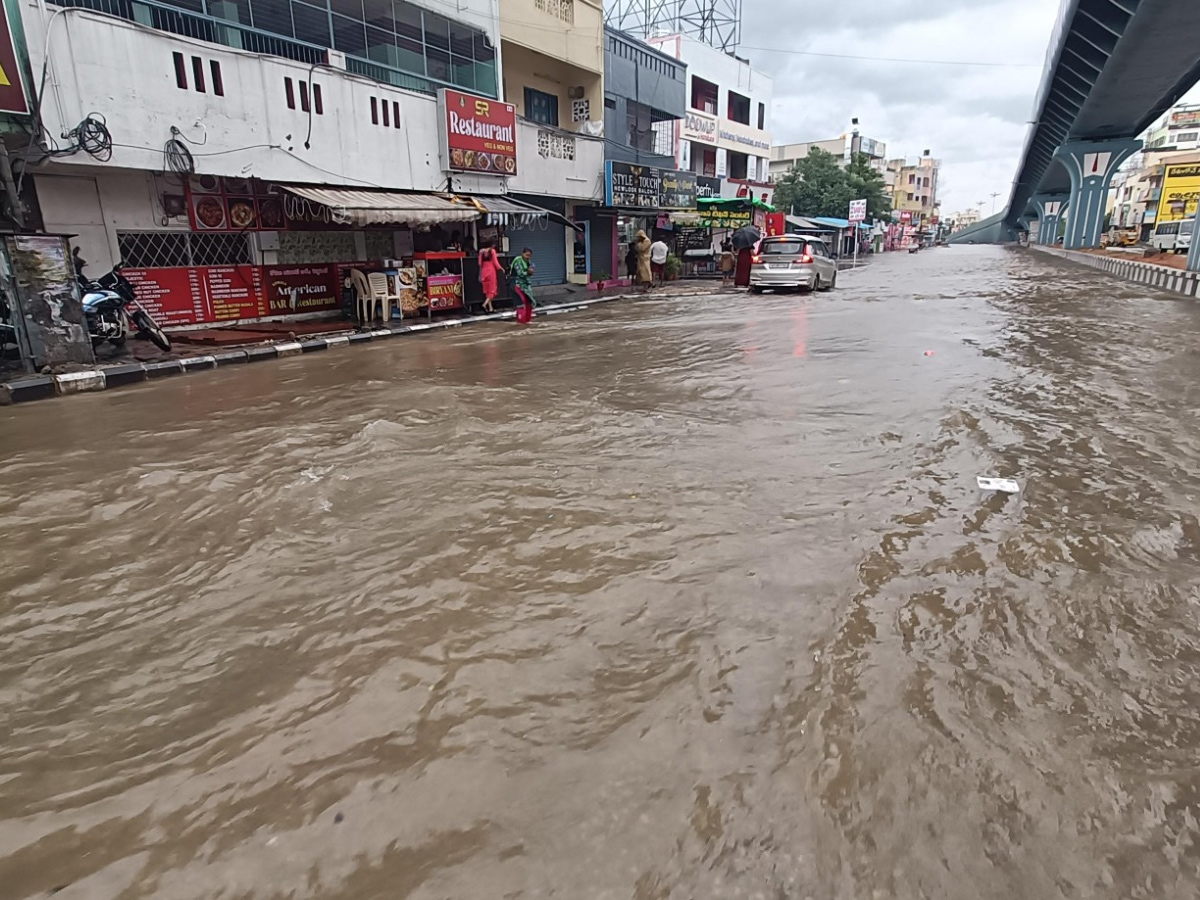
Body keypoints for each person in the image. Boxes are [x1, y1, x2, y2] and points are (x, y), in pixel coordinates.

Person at [477, 241, 504, 314]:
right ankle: (484, 304)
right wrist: (501, 268)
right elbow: (495, 262)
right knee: (492, 290)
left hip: (484, 272)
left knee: (487, 290)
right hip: (491, 272)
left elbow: (479, 263)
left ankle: (490, 308)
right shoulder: (492, 251)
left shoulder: (481, 252)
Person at [509, 247, 536, 321]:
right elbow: (520, 273)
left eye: (530, 255)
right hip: (517, 283)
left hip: (525, 284)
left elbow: (532, 265)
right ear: (522, 254)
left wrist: (532, 269)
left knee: (529, 302)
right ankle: (521, 320)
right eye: (527, 255)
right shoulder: (518, 260)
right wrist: (528, 272)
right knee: (522, 301)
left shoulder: (527, 260)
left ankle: (527, 320)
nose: (528, 257)